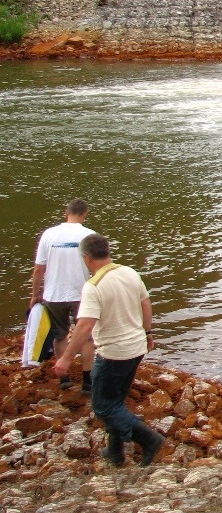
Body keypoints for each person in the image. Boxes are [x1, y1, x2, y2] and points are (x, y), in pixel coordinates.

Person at [53, 233, 165, 467]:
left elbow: (84, 325)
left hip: (114, 353)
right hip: (136, 347)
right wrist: (148, 332)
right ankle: (115, 452)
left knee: (103, 406)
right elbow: (145, 302)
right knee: (116, 401)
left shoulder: (93, 286)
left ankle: (149, 439)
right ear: (107, 251)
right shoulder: (129, 272)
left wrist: (65, 358)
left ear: (85, 258)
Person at [30, 198, 96, 393]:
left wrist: (34, 294)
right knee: (86, 338)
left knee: (59, 336)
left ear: (65, 213)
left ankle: (64, 379)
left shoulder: (48, 234)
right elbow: (96, 268)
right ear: (84, 214)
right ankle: (87, 381)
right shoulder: (89, 235)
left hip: (53, 294)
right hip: (81, 294)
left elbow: (39, 269)